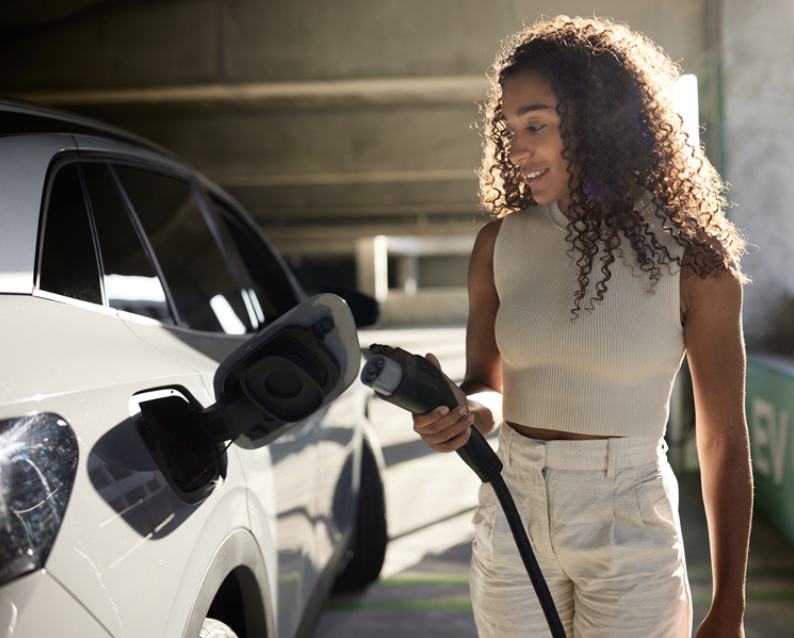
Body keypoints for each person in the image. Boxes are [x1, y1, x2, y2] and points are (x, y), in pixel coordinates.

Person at [412, 15, 753, 638]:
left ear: (598, 121)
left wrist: (727, 603)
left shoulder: (694, 259)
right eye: (509, 129)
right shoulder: (498, 245)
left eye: (535, 125)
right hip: (511, 510)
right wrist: (460, 412)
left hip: (628, 521)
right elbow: (490, 392)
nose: (516, 150)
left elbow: (723, 442)